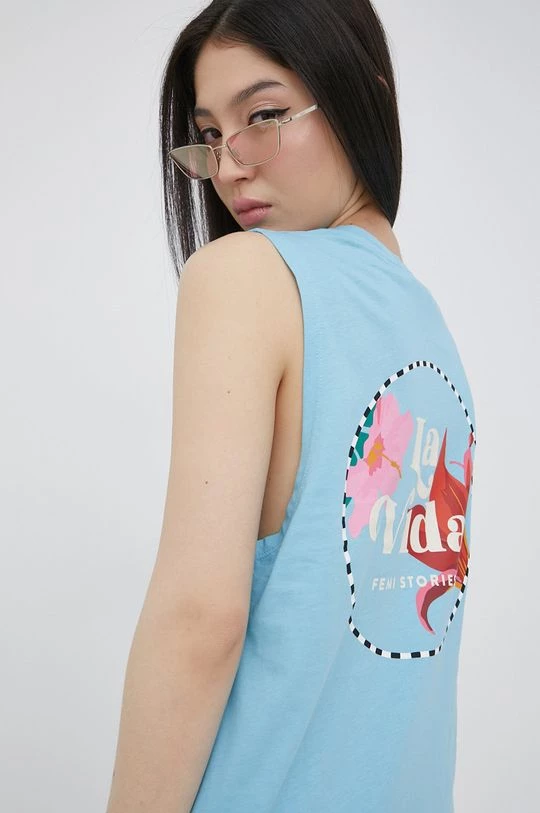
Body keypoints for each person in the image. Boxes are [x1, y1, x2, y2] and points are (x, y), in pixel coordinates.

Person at [106, 1, 477, 812]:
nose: (229, 165)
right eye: (210, 135)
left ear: (362, 94)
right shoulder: (431, 331)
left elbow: (200, 619)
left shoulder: (243, 277)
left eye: (265, 116)